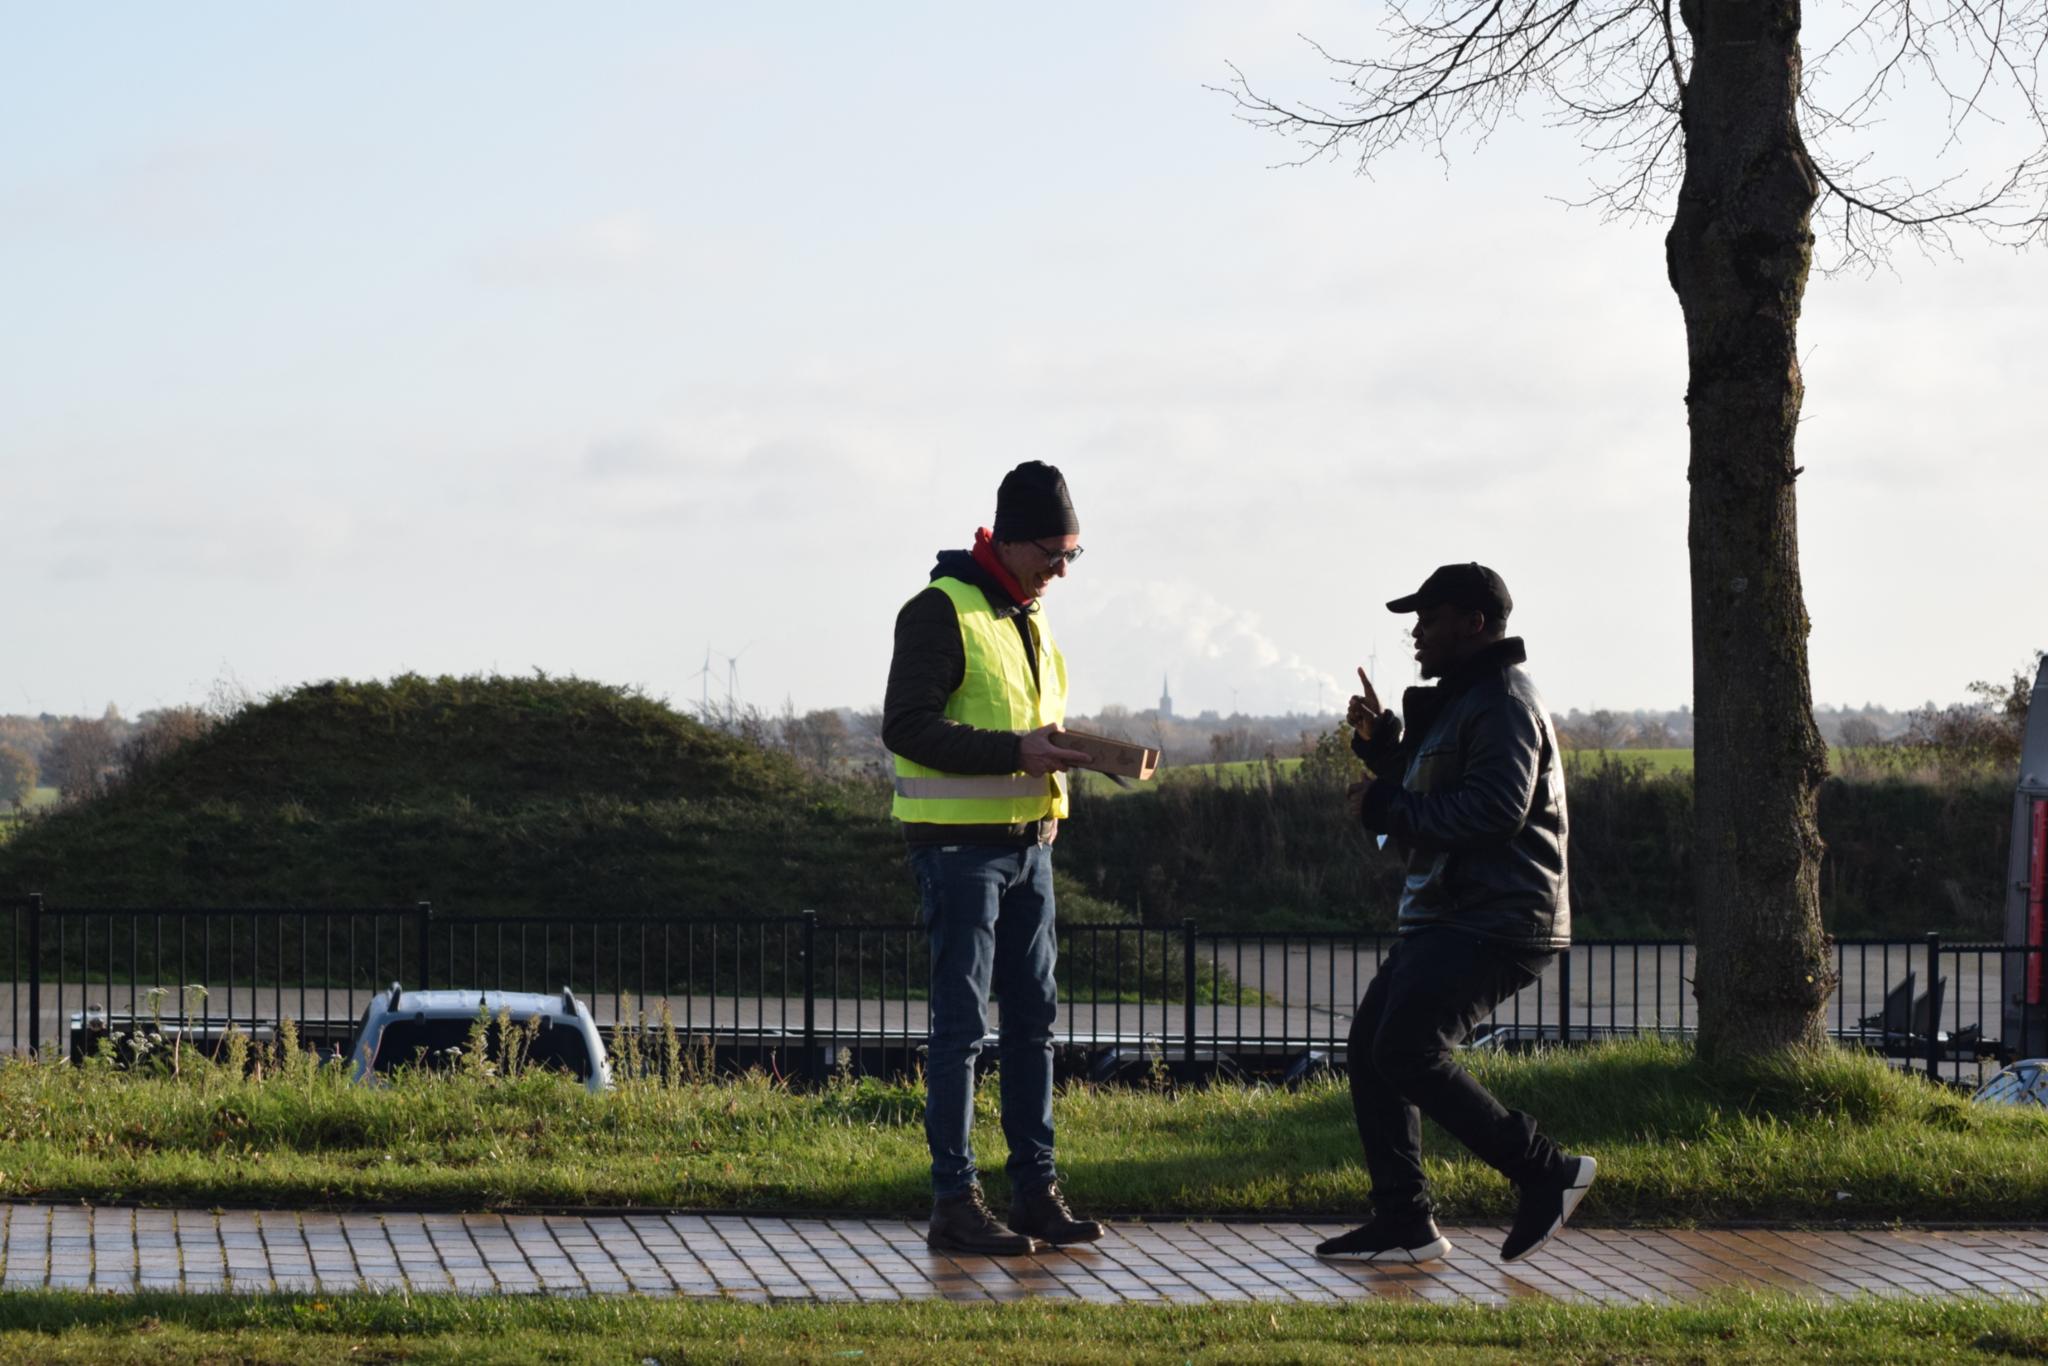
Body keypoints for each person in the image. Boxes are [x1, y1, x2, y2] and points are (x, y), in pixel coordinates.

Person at [1318, 562, 1594, 1265]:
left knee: (1406, 1050)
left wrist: (1387, 805)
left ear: (1474, 624)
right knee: (1373, 1052)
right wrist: (1385, 750)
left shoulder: (1501, 700)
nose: (1415, 634)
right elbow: (1438, 785)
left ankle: (1547, 1172)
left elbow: (1493, 812)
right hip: (1452, 912)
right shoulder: (1467, 699)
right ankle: (1405, 1223)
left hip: (1492, 916)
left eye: (1430, 619)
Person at [881, 460, 1105, 1257]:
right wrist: (1019, 750)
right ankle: (955, 1202)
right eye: (1054, 552)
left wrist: (1067, 751)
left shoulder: (1027, 615)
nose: (1062, 570)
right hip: (959, 855)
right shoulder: (941, 611)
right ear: (1008, 540)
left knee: (1034, 1027)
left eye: (1074, 556)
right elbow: (905, 726)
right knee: (961, 1030)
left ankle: (1035, 1194)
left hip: (1031, 850)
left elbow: (1029, 731)